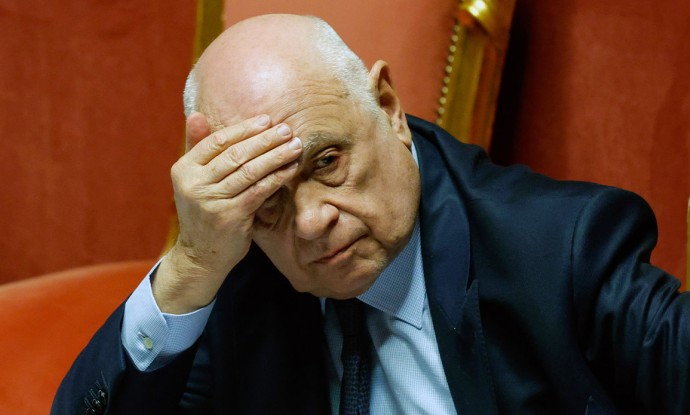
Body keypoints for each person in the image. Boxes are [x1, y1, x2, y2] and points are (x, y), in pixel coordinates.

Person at [52, 14, 690, 415]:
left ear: (387, 108)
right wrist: (190, 267)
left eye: (327, 161)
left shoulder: (556, 249)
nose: (309, 222)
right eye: (269, 199)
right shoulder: (236, 280)